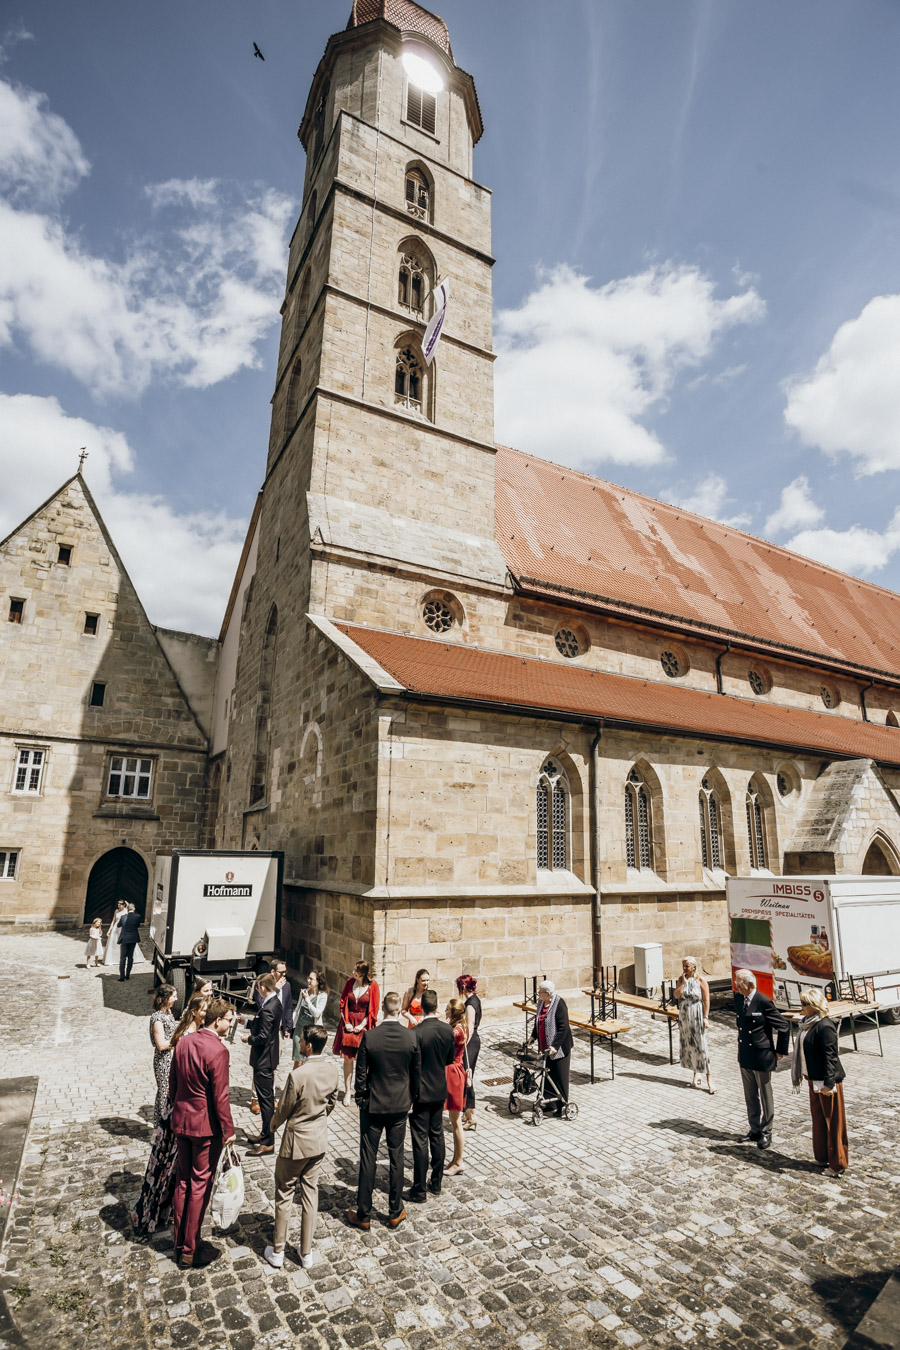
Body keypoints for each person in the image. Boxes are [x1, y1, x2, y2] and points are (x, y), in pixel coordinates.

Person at [264, 1024, 340, 1270]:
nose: (298, 1042)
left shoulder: (298, 1075)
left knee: (284, 1194)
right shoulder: (331, 1070)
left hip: (296, 1143)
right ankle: (306, 1252)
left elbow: (284, 1108)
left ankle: (277, 1251)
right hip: (317, 1141)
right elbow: (332, 1102)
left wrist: (273, 1126)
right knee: (310, 1195)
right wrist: (317, 1117)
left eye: (301, 1040)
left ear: (308, 1045)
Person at [168, 997, 236, 1268]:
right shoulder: (218, 1051)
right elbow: (221, 1097)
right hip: (205, 1129)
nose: (231, 1025)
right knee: (199, 1185)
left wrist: (177, 1108)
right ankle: (189, 1249)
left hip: (181, 1121)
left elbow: (173, 1083)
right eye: (229, 1021)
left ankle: (179, 1241)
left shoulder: (184, 1041)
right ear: (217, 1021)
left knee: (183, 1182)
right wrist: (228, 1130)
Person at [346, 991, 420, 1232]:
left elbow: (361, 1071)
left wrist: (360, 1097)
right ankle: (395, 1211)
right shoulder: (410, 1037)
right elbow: (415, 1074)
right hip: (399, 1105)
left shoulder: (371, 1036)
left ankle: (364, 1213)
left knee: (368, 1157)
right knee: (396, 1156)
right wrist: (411, 1099)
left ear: (382, 1011)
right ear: (399, 1011)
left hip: (373, 1106)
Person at [791, 987, 849, 1177]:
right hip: (812, 1078)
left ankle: (838, 1164)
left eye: (804, 1004)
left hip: (826, 1081)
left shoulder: (825, 1026)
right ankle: (822, 1156)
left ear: (814, 1006)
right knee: (818, 1120)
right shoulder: (806, 1023)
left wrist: (829, 1083)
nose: (801, 1007)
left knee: (833, 1122)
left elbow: (830, 1057)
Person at [734, 968, 790, 1150]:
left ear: (750, 985)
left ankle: (767, 1131)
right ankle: (755, 1129)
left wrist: (780, 1051)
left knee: (765, 1095)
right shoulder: (739, 1000)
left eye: (739, 982)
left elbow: (784, 1026)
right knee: (750, 1096)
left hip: (761, 1055)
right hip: (745, 1055)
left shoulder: (763, 1001)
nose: (736, 985)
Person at [408, 988, 455, 1202]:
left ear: (422, 1008)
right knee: (437, 1136)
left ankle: (419, 1188)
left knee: (420, 1141)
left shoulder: (416, 1033)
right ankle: (436, 1183)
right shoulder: (447, 1031)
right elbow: (449, 1059)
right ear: (436, 1006)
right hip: (438, 1089)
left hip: (419, 1092)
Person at [242, 972, 281, 1155]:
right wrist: (248, 1022)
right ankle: (265, 1133)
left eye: (258, 988)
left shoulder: (267, 1008)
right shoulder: (275, 1003)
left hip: (263, 1060)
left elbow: (263, 1036)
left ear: (263, 988)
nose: (257, 991)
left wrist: (248, 1038)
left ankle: (268, 1142)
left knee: (266, 1102)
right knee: (266, 1099)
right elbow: (266, 1025)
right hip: (268, 1057)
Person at [249, 960, 294, 1114]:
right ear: (273, 972)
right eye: (281, 972)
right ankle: (255, 1098)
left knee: (273, 1065)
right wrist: (276, 990)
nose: (284, 975)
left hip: (278, 1031)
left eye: (285, 972)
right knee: (260, 1065)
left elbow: (288, 1006)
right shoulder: (263, 985)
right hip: (264, 1031)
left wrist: (288, 1026)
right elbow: (261, 1005)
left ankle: (270, 1096)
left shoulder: (287, 986)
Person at [333, 961, 381, 1103]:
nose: (354, 971)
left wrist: (362, 1025)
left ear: (363, 972)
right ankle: (347, 1091)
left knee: (363, 1060)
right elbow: (342, 1003)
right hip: (349, 1022)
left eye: (357, 970)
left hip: (364, 1025)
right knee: (347, 1058)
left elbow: (374, 1009)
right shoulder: (350, 982)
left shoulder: (373, 986)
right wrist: (346, 1022)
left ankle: (361, 1090)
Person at [529, 979, 574, 1119]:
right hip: (545, 1047)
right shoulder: (541, 1003)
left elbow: (563, 1028)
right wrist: (533, 1037)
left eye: (540, 992)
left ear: (548, 993)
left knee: (559, 1077)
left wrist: (555, 1046)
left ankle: (561, 1106)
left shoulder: (559, 1004)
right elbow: (539, 1021)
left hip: (560, 1048)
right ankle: (549, 1103)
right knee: (547, 1075)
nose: (538, 994)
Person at [674, 957, 715, 1094]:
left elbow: (706, 999)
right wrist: (683, 983)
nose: (684, 969)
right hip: (685, 1015)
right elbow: (677, 995)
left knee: (701, 1045)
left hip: (697, 1013)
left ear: (693, 967)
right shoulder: (682, 979)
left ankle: (709, 1078)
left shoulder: (701, 980)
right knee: (690, 1045)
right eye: (683, 966)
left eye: (686, 966)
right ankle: (696, 1073)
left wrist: (705, 1017)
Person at [444, 997, 469, 1175]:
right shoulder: (459, 1027)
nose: (445, 1011)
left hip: (453, 1074)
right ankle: (455, 1159)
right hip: (453, 1071)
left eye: (447, 1009)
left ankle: (459, 1161)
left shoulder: (456, 1032)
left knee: (455, 1121)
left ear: (454, 1013)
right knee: (454, 1121)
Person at [150, 984, 178, 1125]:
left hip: (171, 1058)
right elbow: (161, 1045)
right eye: (174, 996)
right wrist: (179, 1040)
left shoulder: (168, 1012)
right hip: (163, 1060)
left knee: (170, 1091)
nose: (176, 998)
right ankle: (160, 1124)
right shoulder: (157, 1018)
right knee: (164, 1092)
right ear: (166, 998)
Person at [456, 974, 482, 1129]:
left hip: (470, 1043)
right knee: (466, 1076)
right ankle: (467, 1113)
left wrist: (462, 1043)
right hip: (471, 1042)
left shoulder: (471, 1003)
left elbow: (470, 1026)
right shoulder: (474, 1000)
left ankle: (471, 1116)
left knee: (467, 1077)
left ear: (464, 987)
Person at [292, 970, 328, 1068]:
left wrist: (307, 1000)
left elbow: (316, 1013)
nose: (308, 980)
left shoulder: (322, 996)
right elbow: (297, 1009)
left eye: (311, 979)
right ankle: (295, 1081)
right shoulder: (304, 992)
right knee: (298, 1060)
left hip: (312, 1032)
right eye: (308, 978)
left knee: (310, 1060)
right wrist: (290, 1024)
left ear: (318, 982)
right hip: (299, 1029)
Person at [117, 902, 141, 981]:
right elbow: (137, 925)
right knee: (130, 956)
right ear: (134, 909)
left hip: (124, 938)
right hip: (133, 938)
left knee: (123, 957)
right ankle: (128, 975)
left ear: (127, 909)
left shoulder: (123, 917)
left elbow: (119, 925)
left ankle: (121, 976)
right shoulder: (138, 916)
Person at [102, 900, 127, 966]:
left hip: (123, 928)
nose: (118, 906)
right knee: (113, 943)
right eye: (118, 905)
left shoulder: (126, 911)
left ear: (124, 905)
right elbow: (113, 921)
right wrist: (109, 930)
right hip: (116, 928)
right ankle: (112, 959)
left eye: (120, 905)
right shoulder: (116, 911)